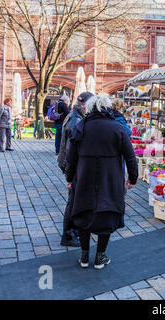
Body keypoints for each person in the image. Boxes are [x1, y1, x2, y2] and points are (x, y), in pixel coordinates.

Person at [66, 94, 138, 269]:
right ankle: (100, 256)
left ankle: (84, 257)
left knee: (84, 212)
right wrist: (133, 178)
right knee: (107, 212)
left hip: (84, 176)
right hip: (110, 177)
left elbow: (71, 157)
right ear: (108, 107)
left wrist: (69, 178)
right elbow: (130, 156)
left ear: (90, 108)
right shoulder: (117, 127)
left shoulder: (82, 126)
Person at [57, 91, 94, 247]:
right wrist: (71, 174)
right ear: (83, 105)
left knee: (74, 199)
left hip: (68, 163)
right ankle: (69, 234)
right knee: (73, 201)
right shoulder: (76, 121)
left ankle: (73, 231)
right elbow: (73, 151)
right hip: (71, 164)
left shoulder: (75, 116)